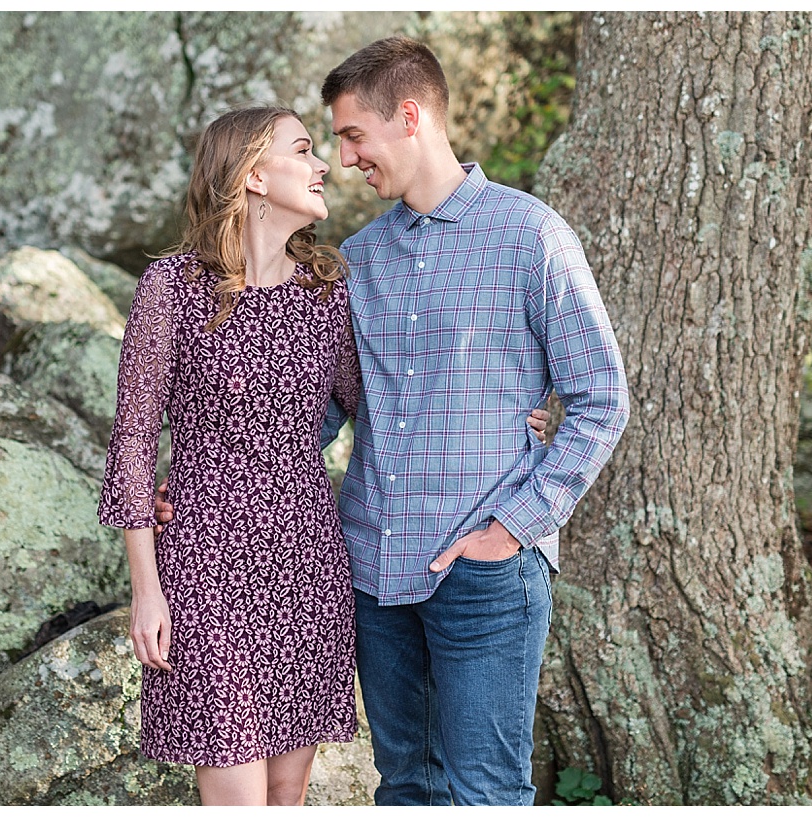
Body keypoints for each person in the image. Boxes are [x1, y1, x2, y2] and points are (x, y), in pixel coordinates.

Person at [101, 106, 553, 806]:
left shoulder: (327, 290)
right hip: (204, 562)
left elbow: (382, 395)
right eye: (305, 150)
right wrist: (145, 587)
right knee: (236, 791)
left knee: (286, 795)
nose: (324, 167)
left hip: (308, 563)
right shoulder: (172, 288)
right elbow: (131, 435)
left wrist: (508, 414)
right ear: (253, 174)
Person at [318, 37, 630, 805]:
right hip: (375, 566)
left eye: (353, 133)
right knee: (405, 786)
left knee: (485, 791)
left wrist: (513, 527)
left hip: (482, 570)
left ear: (410, 116)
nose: (346, 156)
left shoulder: (530, 235)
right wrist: (207, 479)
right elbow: (329, 406)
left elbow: (599, 396)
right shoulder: (360, 257)